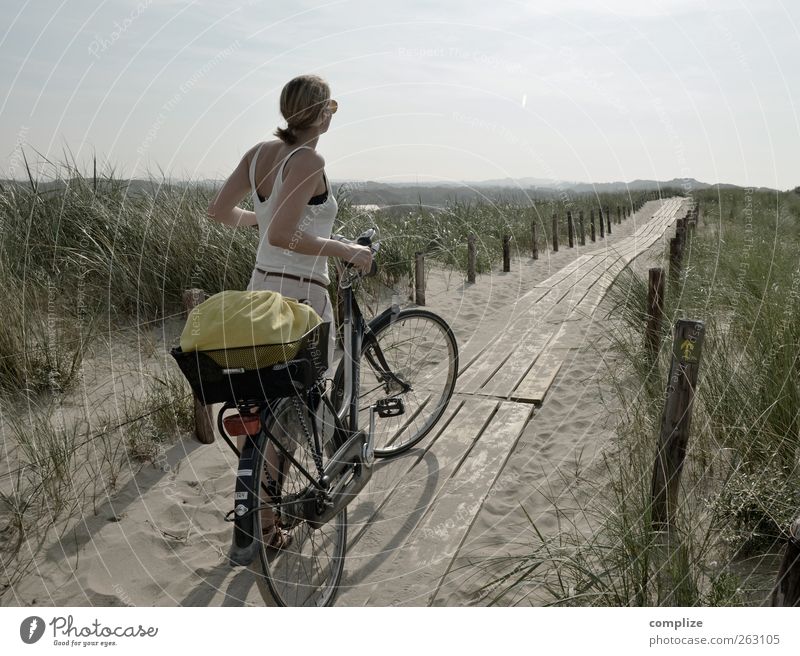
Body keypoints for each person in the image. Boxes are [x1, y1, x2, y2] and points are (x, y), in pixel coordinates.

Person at [206, 74, 372, 550]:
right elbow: (284, 234)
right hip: (301, 297)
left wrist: (264, 218)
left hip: (258, 290)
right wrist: (346, 251)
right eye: (331, 110)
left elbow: (220, 212)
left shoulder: (258, 155)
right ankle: (269, 523)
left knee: (259, 403)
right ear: (322, 114)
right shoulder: (310, 159)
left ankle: (253, 511)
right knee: (294, 412)